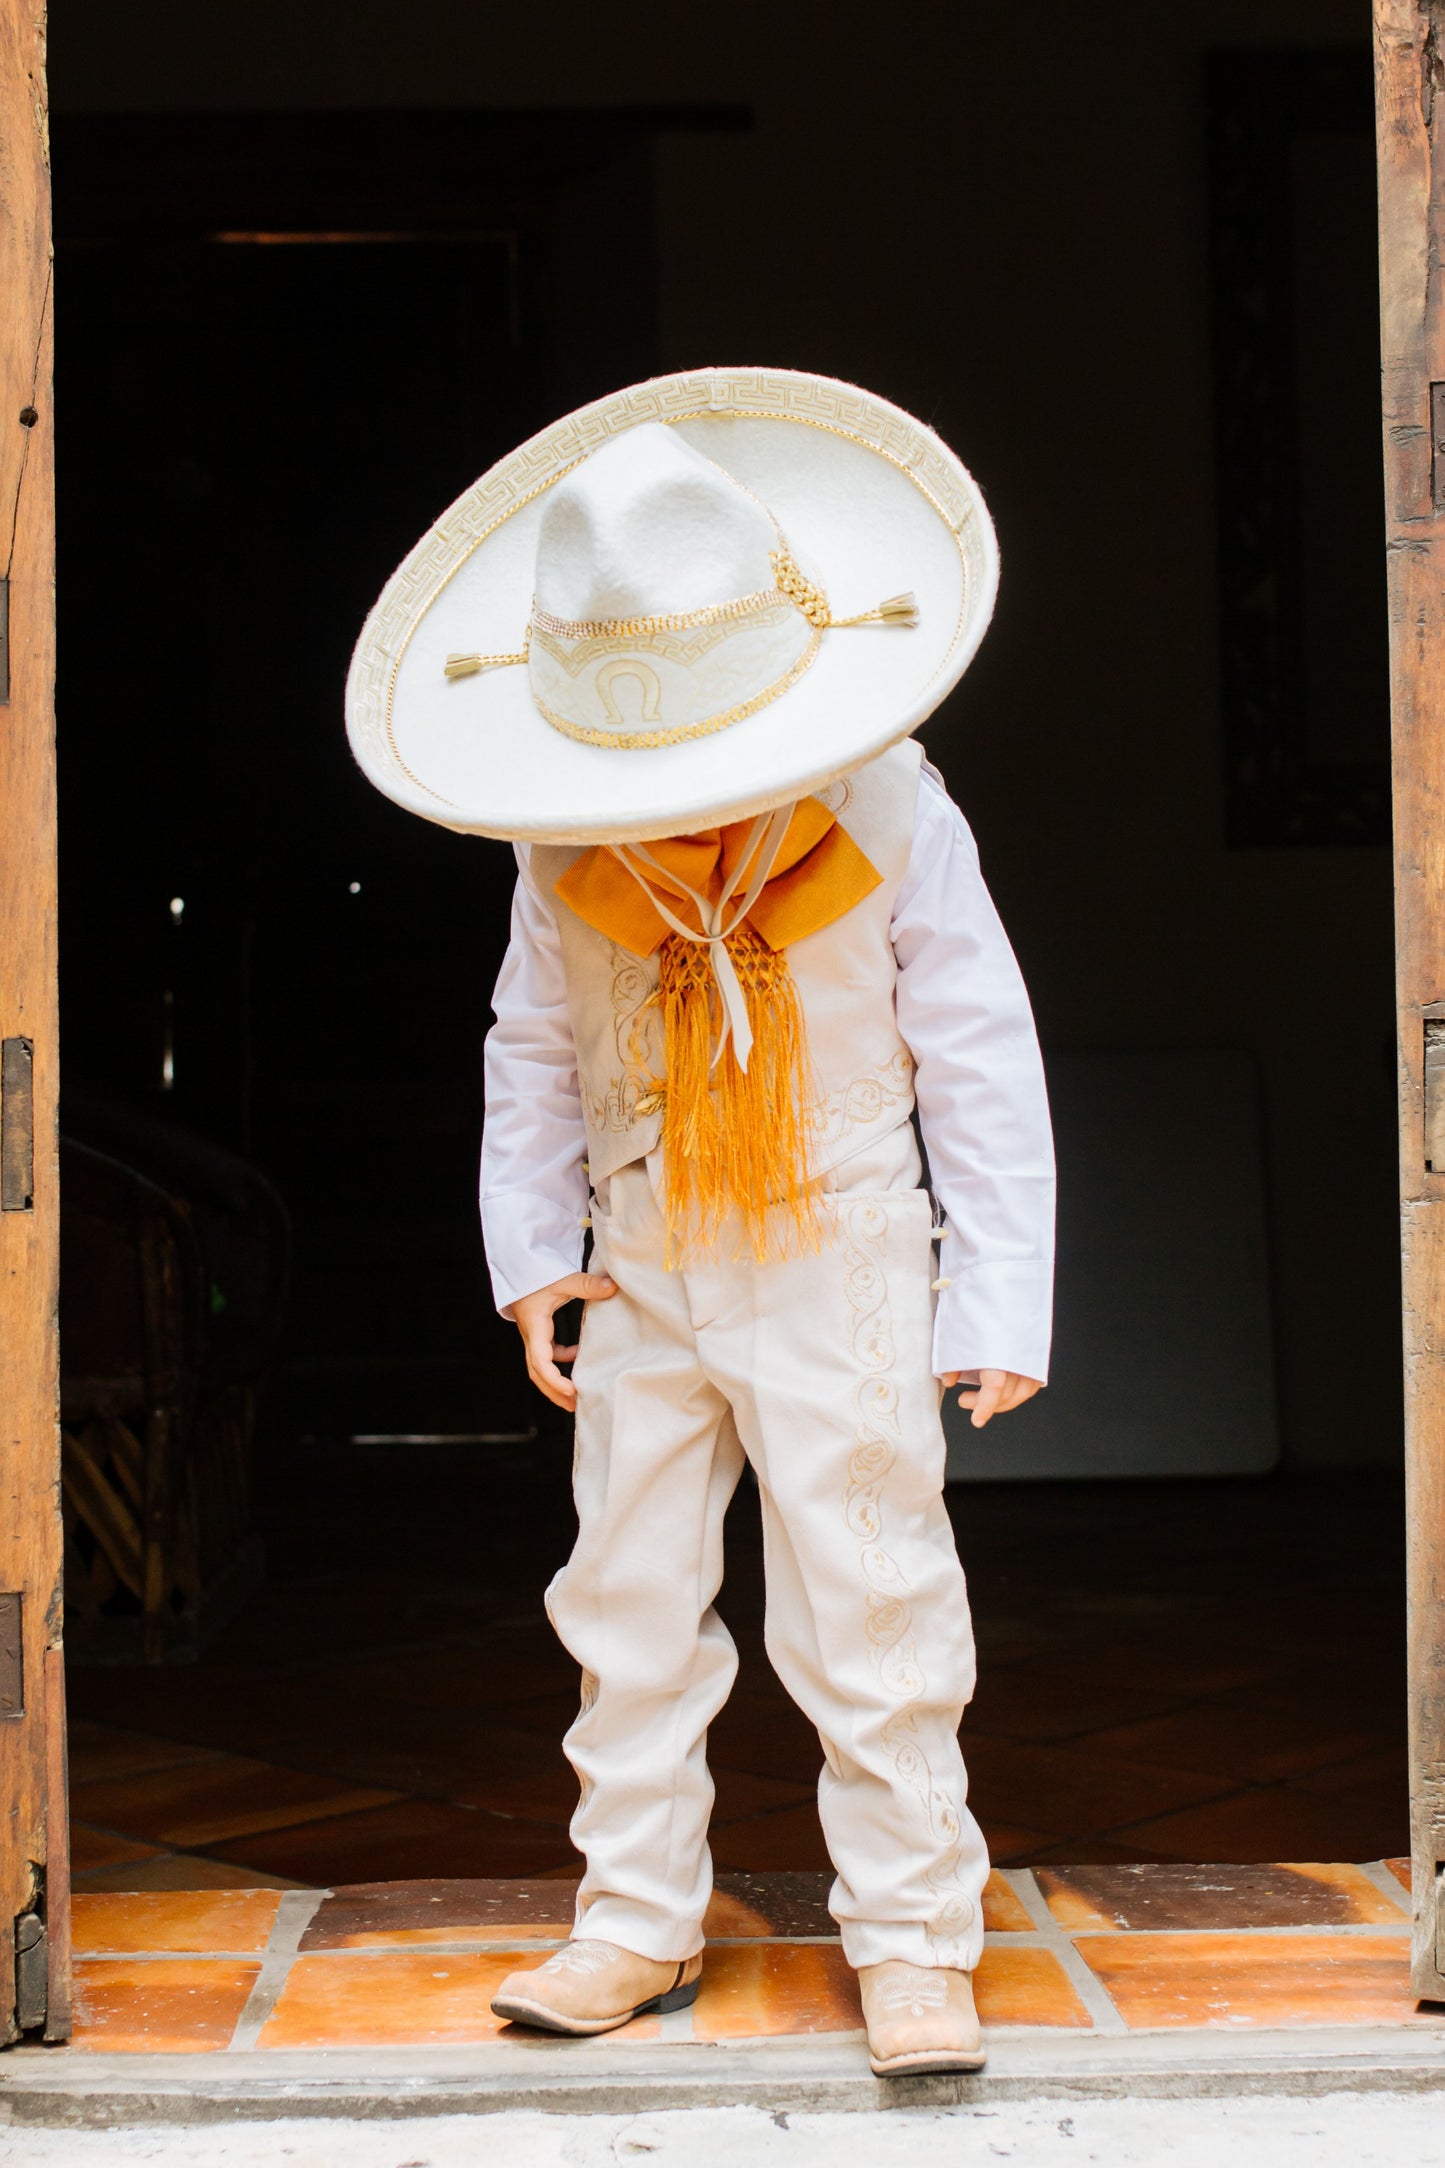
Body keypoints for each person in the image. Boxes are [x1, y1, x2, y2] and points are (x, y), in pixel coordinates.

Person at [346, 368, 1054, 2077]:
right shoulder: (560, 851)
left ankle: (909, 1939)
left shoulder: (888, 806)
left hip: (844, 1244)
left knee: (869, 1592)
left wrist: (996, 1300)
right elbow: (528, 1045)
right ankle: (634, 1920)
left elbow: (976, 1048)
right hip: (645, 1247)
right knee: (628, 1591)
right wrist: (534, 1260)